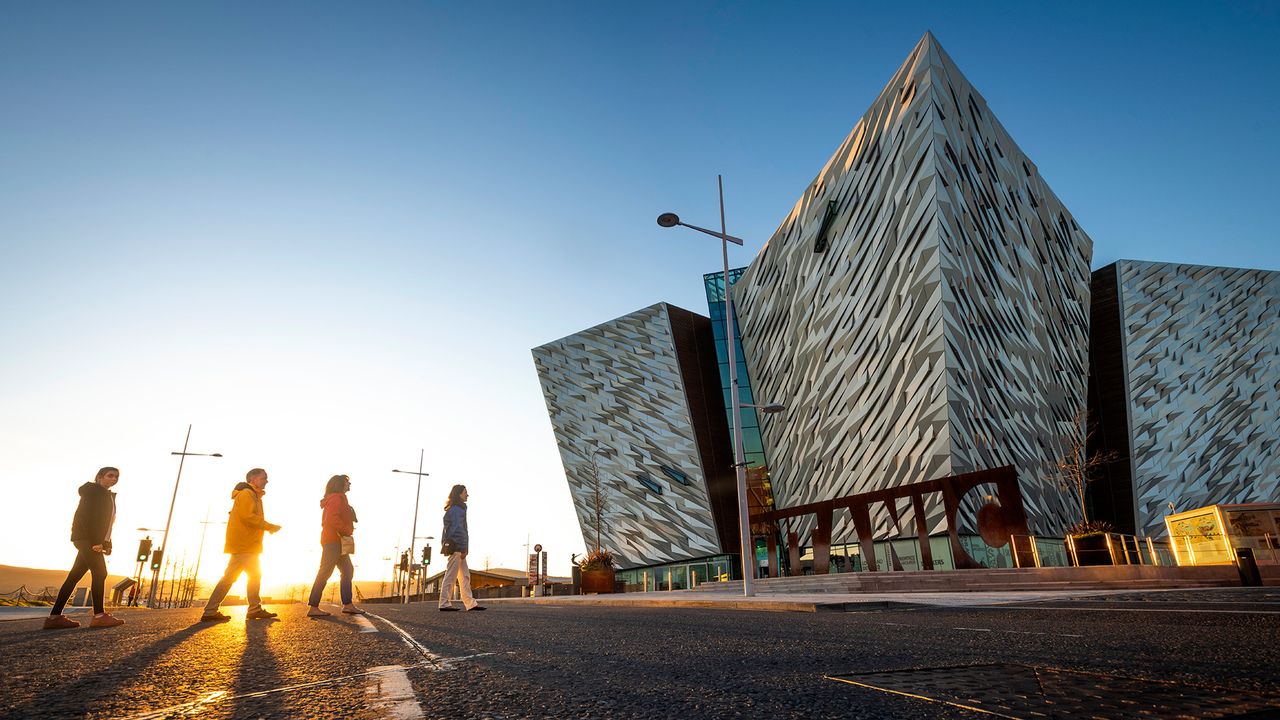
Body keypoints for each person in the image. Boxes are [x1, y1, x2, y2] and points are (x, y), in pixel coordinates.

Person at [45, 467, 125, 629]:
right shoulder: (93, 492)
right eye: (110, 476)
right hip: (86, 539)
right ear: (100, 477)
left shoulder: (107, 495)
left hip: (90, 540)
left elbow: (107, 524)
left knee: (74, 576)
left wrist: (107, 544)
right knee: (100, 572)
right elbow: (86, 517)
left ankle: (54, 618)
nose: (114, 479)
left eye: (116, 477)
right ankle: (99, 616)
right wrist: (95, 541)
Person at [200, 468, 282, 622]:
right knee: (248, 576)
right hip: (245, 544)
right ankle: (251, 608)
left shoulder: (252, 495)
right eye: (264, 478)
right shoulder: (247, 494)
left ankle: (213, 610)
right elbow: (247, 517)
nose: (267, 481)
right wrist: (269, 526)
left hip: (246, 543)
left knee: (237, 577)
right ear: (253, 479)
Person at [306, 474, 364, 616]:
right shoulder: (336, 498)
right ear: (340, 484)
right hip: (334, 540)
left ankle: (348, 604)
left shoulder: (339, 498)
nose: (349, 484)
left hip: (336, 540)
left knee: (347, 569)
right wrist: (346, 530)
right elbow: (332, 519)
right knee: (325, 571)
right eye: (347, 482)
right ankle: (313, 607)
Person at [438, 484, 484, 612]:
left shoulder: (455, 508)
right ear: (459, 494)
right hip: (457, 547)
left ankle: (470, 603)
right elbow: (458, 530)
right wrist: (463, 548)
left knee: (464, 576)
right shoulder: (457, 509)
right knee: (451, 575)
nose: (467, 494)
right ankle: (444, 603)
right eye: (465, 492)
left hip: (457, 546)